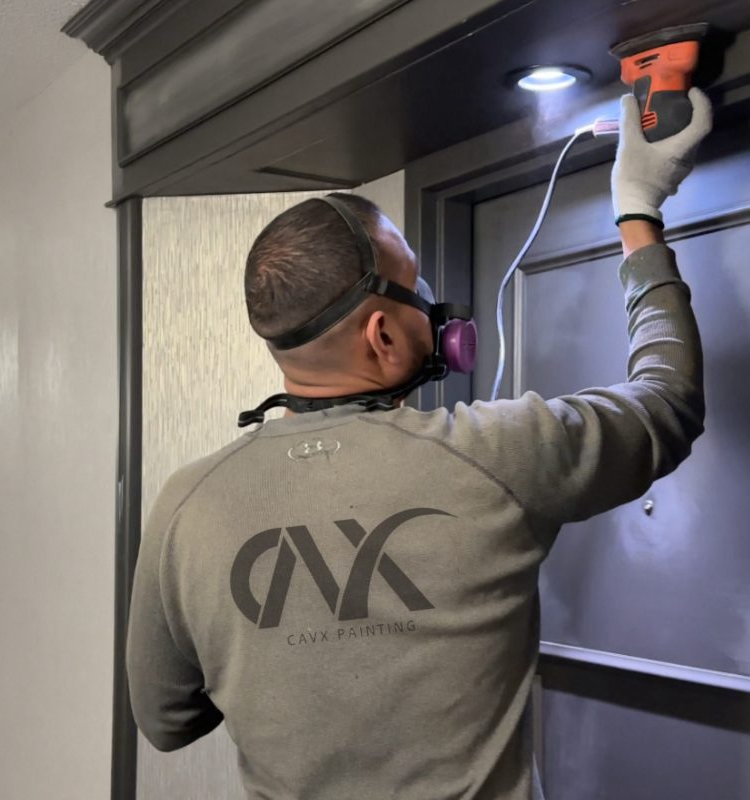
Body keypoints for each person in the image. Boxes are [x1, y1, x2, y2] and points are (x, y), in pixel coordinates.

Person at [127, 89, 712, 800]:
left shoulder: (185, 504)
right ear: (380, 333)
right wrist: (637, 209)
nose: (432, 302)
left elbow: (166, 718)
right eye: (414, 284)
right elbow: (667, 402)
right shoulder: (498, 452)